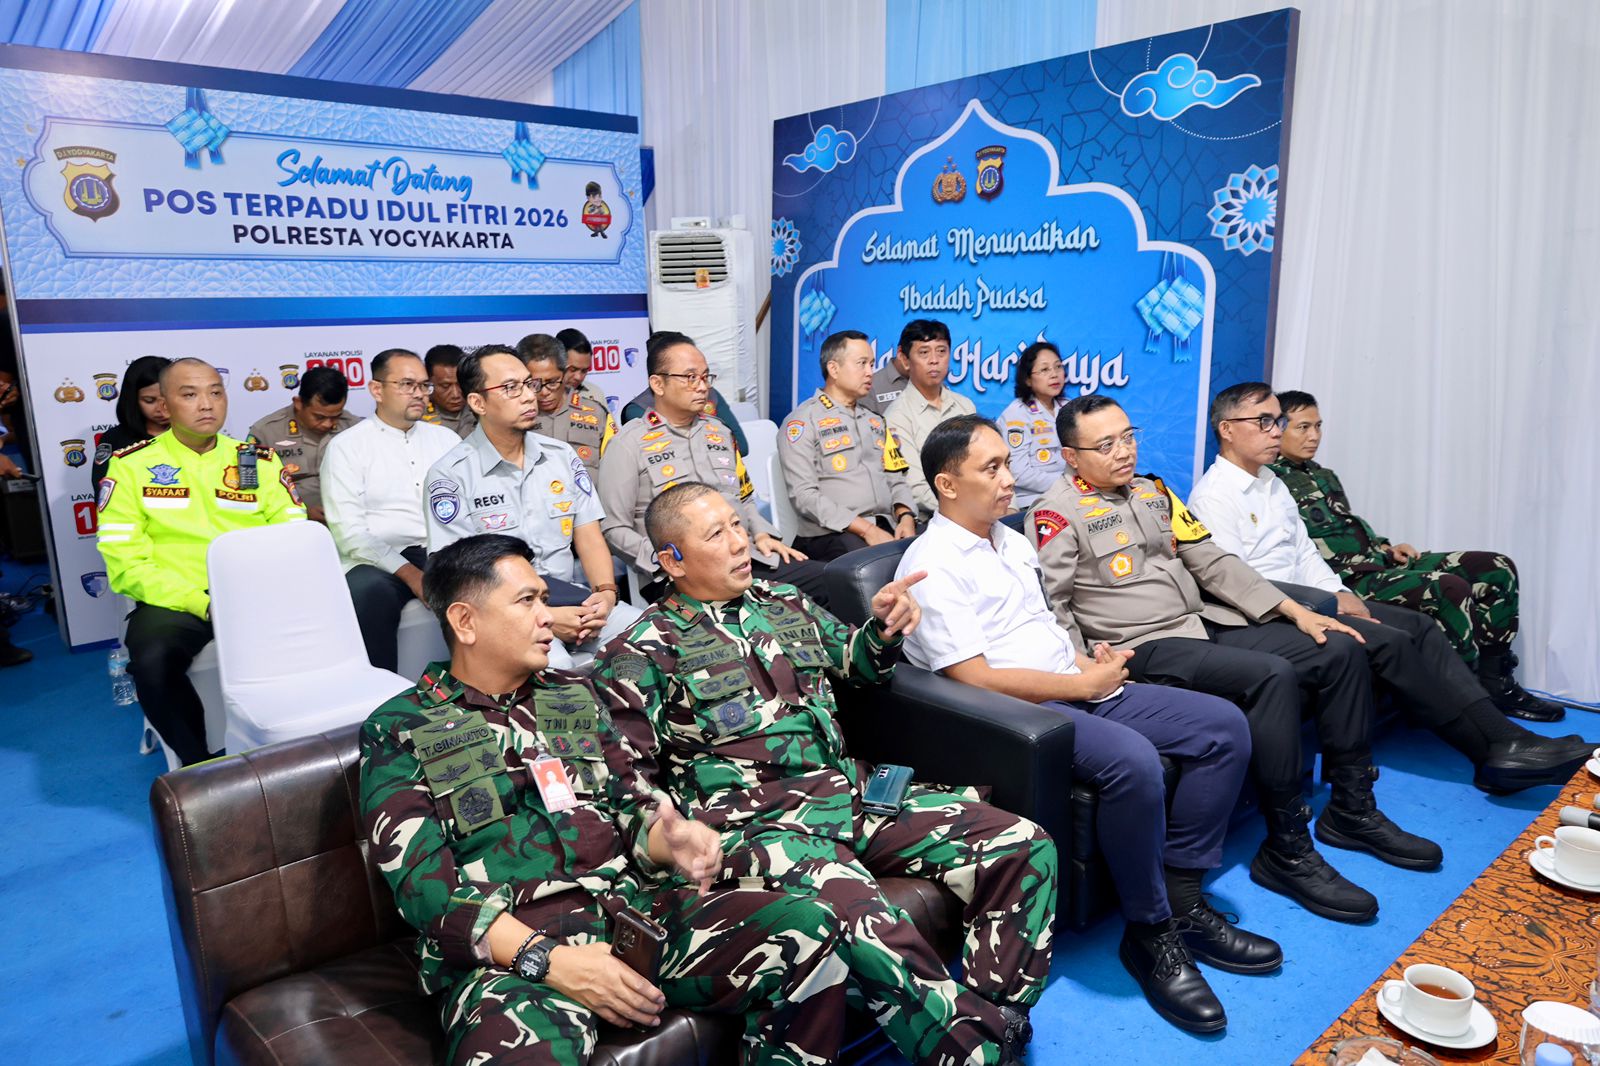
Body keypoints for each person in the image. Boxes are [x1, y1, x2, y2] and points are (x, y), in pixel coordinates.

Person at [595, 482, 1052, 1065]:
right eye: (716, 535)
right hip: (758, 825)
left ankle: (1003, 1013)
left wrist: (883, 630)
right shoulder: (640, 652)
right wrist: (670, 834)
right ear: (673, 560)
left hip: (847, 795)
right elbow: (626, 781)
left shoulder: (782, 601)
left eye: (737, 525)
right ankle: (977, 1051)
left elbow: (855, 663)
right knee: (856, 911)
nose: (739, 542)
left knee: (1021, 843)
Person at [360, 534, 855, 1066]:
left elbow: (631, 806)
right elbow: (424, 889)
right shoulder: (402, 727)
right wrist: (548, 960)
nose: (548, 616)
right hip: (514, 959)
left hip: (632, 919)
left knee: (809, 928)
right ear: (465, 621)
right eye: (526, 601)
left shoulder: (571, 694)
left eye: (544, 598)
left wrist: (671, 841)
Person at [899, 415, 1274, 1032]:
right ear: (947, 484)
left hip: (1071, 683)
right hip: (1021, 712)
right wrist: (1079, 686)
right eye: (990, 468)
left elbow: (1042, 630)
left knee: (1224, 727)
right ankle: (1150, 931)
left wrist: (1087, 664)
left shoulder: (1011, 540)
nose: (1009, 478)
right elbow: (972, 677)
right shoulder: (932, 562)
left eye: (1007, 463)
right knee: (1134, 761)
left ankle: (1182, 898)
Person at [1026, 394, 1441, 924]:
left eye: (1128, 437)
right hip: (1140, 646)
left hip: (1200, 625)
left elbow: (1212, 560)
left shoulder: (1154, 491)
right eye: (1105, 445)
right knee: (1271, 676)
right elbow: (1052, 604)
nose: (1123, 452)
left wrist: (1295, 610)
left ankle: (1352, 809)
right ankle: (1288, 846)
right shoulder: (1055, 514)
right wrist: (1084, 668)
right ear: (1070, 456)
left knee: (1335, 648)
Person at [1190, 383, 1593, 793]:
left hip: (1313, 599)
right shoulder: (1214, 497)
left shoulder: (1271, 483)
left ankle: (1508, 738)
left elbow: (1305, 553)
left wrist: (1339, 593)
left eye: (1277, 420)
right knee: (1393, 642)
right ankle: (1491, 753)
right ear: (1227, 429)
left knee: (1420, 627)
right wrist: (1318, 604)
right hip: (1275, 614)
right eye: (1264, 421)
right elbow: (1239, 584)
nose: (1276, 431)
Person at [1270, 390, 1564, 722]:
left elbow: (1345, 527)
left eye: (1318, 426)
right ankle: (1465, 701)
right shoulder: (1272, 481)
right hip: (1348, 578)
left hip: (1376, 561)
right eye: (1304, 427)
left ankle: (1497, 683)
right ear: (1279, 429)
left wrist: (1385, 546)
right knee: (1448, 587)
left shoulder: (1322, 474)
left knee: (1496, 568)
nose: (1314, 436)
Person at [98, 358, 305, 764]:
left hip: (255, 594)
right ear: (164, 405)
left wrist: (262, 590)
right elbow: (125, 562)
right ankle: (199, 768)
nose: (207, 404)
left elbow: (293, 537)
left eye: (215, 392)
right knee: (152, 663)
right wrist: (201, 602)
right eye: (190, 395)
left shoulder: (257, 461)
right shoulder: (130, 467)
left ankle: (293, 749)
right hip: (175, 601)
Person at [424, 346, 638, 668]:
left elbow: (589, 535)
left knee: (652, 636)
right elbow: (458, 578)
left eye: (528, 384)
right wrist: (545, 614)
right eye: (511, 388)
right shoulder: (451, 475)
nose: (528, 396)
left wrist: (606, 595)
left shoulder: (561, 456)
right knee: (557, 672)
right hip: (503, 616)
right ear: (478, 402)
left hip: (573, 600)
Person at [599, 331, 830, 604]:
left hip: (744, 558)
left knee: (831, 580)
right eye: (690, 377)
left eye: (706, 377)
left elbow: (744, 498)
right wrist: (664, 561)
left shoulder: (719, 432)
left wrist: (761, 533)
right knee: (762, 607)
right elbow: (614, 527)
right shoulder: (628, 444)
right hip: (681, 575)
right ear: (658, 384)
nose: (702, 386)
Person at [322, 348, 461, 672]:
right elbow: (350, 534)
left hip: (440, 549)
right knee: (369, 593)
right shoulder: (346, 447)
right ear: (376, 389)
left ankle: (481, 689)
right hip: (376, 560)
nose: (419, 394)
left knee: (483, 579)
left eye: (424, 385)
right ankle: (380, 695)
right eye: (407, 385)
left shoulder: (447, 440)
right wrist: (410, 574)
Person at [779, 329, 917, 561]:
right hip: (833, 533)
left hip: (885, 525)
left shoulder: (876, 421)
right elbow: (804, 496)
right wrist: (867, 530)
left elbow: (896, 478)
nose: (870, 372)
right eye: (861, 364)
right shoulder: (802, 422)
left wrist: (906, 516)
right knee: (876, 564)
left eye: (871, 364)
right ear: (833, 369)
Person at [884, 319, 976, 518]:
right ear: (905, 360)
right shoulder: (896, 417)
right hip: (931, 521)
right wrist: (968, 511)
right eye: (924, 353)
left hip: (976, 510)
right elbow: (915, 488)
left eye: (941, 351)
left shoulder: (965, 406)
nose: (934, 360)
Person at [246, 365, 359, 524]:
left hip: (349, 522)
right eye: (319, 417)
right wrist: (302, 512)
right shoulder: (266, 432)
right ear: (298, 403)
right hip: (293, 525)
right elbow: (254, 489)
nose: (327, 424)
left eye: (335, 417)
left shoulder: (355, 429)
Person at [521, 332, 615, 486]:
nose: (544, 392)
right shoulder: (512, 418)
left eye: (552, 382)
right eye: (534, 384)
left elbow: (616, 474)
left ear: (563, 374)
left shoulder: (597, 414)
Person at [996, 341, 1068, 510]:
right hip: (1033, 502)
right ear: (1028, 379)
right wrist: (1069, 483)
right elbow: (1019, 473)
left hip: (1070, 495)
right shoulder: (1017, 414)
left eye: (1058, 367)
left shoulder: (1069, 407)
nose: (1054, 374)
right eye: (1044, 369)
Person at [90, 356, 170, 489]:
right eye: (149, 400)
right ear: (133, 399)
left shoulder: (195, 435)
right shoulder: (114, 439)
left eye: (167, 399)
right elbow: (104, 488)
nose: (161, 409)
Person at [423, 344, 478, 439]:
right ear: (428, 382)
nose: (455, 394)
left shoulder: (484, 410)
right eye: (445, 386)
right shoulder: (415, 418)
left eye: (460, 384)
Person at [555, 327, 611, 414]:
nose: (578, 377)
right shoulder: (539, 396)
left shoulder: (595, 393)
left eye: (584, 371)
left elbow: (608, 423)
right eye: (572, 369)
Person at [861, 340, 909, 415]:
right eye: (923, 352)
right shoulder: (870, 385)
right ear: (901, 354)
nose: (928, 361)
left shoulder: (928, 383)